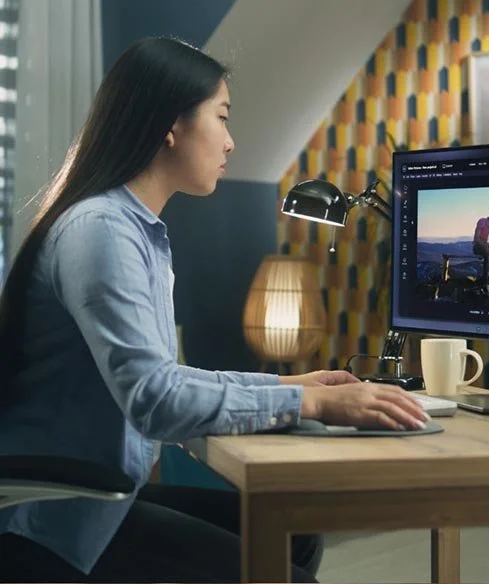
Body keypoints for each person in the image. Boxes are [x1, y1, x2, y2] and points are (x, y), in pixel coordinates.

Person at [0, 37, 429, 583]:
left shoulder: (134, 231)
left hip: (99, 502)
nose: (230, 142)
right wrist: (315, 406)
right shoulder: (101, 232)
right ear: (170, 127)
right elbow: (156, 401)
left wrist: (293, 388)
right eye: (221, 118)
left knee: (293, 535)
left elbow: (163, 378)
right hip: (55, 523)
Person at [472, 208, 489, 285]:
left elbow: (484, 241)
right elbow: (476, 239)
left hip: (483, 246)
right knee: (488, 254)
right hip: (477, 247)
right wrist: (486, 247)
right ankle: (485, 279)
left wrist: (487, 246)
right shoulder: (482, 221)